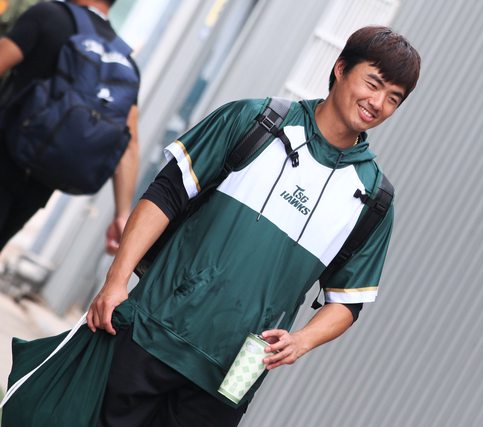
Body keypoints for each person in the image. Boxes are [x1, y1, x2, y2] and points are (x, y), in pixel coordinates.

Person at [88, 26, 420, 426]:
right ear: (340, 68)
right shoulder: (253, 121)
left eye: (393, 98)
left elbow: (348, 300)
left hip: (231, 378)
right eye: (373, 83)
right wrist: (116, 281)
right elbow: (167, 193)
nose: (377, 103)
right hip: (151, 332)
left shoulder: (372, 198)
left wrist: (302, 340)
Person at [0, 0, 139, 254]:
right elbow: (129, 144)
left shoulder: (49, 15)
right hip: (42, 183)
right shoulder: (125, 62)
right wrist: (122, 214)